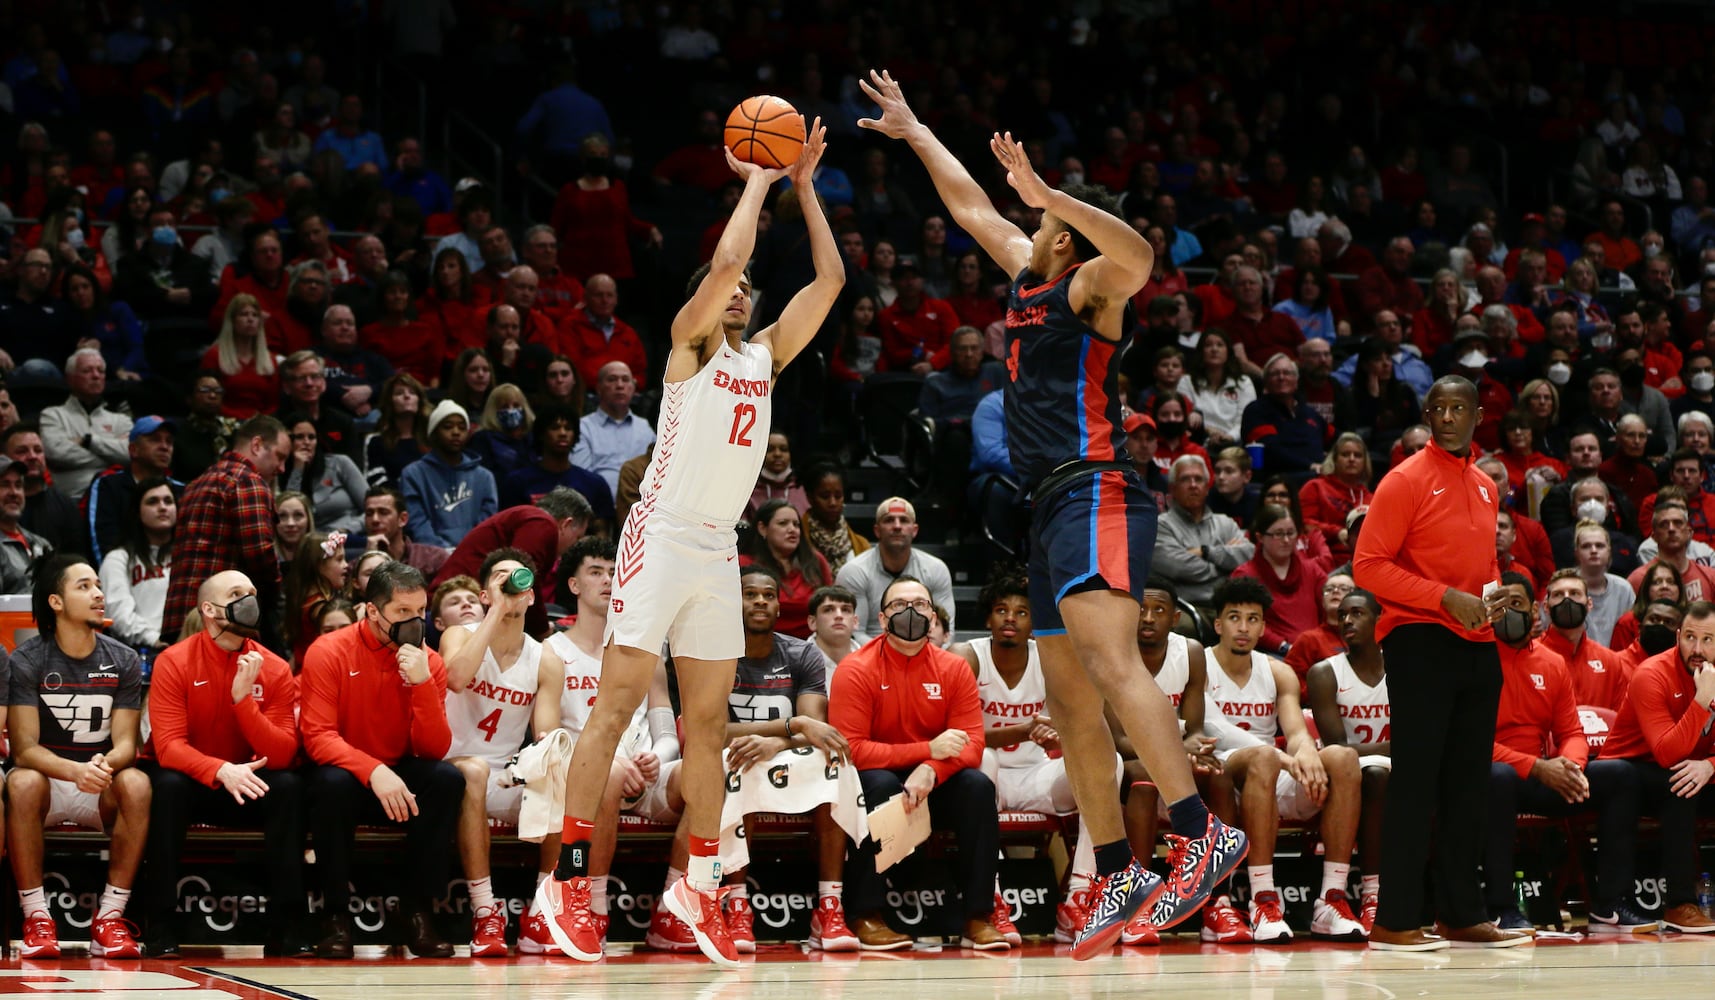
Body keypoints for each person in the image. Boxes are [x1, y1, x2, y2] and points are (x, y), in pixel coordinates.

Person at [857, 68, 1244, 959]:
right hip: (1045, 508)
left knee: (1109, 666)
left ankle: (1195, 831)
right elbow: (966, 208)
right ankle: (1114, 866)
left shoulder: (1086, 291)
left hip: (1098, 488)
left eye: (1038, 223)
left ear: (1064, 237)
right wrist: (915, 129)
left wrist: (1052, 192)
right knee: (1069, 701)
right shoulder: (1029, 278)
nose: (1023, 226)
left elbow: (1140, 256)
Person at [535, 118, 842, 968]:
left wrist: (805, 187)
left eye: (744, 287)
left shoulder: (767, 356)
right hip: (660, 535)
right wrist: (755, 177)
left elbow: (830, 280)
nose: (739, 292)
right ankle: (561, 884)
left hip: (716, 547)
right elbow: (730, 264)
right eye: (726, 284)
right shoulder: (684, 347)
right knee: (617, 704)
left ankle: (695, 889)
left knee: (707, 728)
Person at [1352, 375, 1528, 951]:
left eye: (1461, 409)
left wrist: (1495, 593)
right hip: (1419, 639)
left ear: (1479, 417)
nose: (1449, 417)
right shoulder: (1403, 480)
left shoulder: (1484, 485)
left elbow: (1478, 568)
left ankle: (1460, 913)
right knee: (1417, 783)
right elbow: (1368, 567)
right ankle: (1395, 920)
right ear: (1428, 415)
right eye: (1440, 408)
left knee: (1468, 786)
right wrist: (1442, 597)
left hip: (1477, 645)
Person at [673, 567, 860, 953]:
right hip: (729, 760)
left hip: (782, 756)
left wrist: (779, 741)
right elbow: (709, 732)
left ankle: (830, 907)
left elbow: (815, 727)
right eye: (750, 594)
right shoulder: (712, 655)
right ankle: (737, 905)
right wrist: (788, 727)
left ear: (778, 605)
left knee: (836, 763)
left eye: (768, 595)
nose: (760, 601)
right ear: (732, 603)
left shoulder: (801, 652)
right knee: (740, 764)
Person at [522, 538, 680, 956]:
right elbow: (550, 738)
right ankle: (590, 904)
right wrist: (609, 761)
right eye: (596, 571)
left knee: (707, 772)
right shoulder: (551, 650)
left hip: (646, 772)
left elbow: (665, 727)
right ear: (573, 585)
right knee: (604, 774)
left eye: (615, 572)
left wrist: (657, 757)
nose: (609, 580)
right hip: (585, 774)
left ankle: (676, 908)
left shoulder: (647, 648)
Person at [828, 576, 1002, 950]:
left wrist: (931, 769)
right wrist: (926, 751)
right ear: (882, 616)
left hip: (932, 780)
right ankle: (865, 913)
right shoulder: (856, 668)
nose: (910, 612)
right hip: (878, 778)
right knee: (880, 785)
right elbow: (852, 749)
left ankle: (977, 915)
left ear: (934, 615)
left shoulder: (953, 668)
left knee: (978, 785)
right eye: (899, 605)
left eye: (920, 604)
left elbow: (973, 744)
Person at [300, 561, 461, 959]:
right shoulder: (329, 650)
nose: (414, 622)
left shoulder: (430, 660)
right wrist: (373, 771)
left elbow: (433, 749)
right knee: (331, 784)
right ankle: (335, 916)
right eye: (402, 613)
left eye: (420, 612)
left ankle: (417, 912)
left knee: (445, 779)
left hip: (399, 769)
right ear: (373, 610)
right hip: (347, 769)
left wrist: (423, 683)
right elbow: (317, 737)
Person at [138, 570, 305, 957]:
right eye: (237, 593)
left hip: (250, 782)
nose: (250, 599)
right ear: (209, 610)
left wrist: (244, 702)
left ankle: (288, 925)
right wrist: (219, 769)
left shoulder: (275, 667)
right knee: (166, 786)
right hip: (195, 782)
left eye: (252, 592)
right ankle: (159, 924)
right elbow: (168, 747)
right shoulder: (174, 661)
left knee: (290, 787)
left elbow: (281, 753)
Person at [1484, 571, 1652, 935]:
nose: (1510, 613)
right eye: (1501, 605)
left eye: (1517, 604)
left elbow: (1571, 732)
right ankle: (1500, 907)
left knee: (1620, 774)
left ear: (1533, 611)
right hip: (1494, 775)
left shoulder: (1550, 662)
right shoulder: (1474, 662)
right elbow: (1471, 743)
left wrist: (1572, 768)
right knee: (1498, 778)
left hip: (1544, 776)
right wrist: (1539, 768)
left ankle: (1610, 905)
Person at [1201, 576, 1365, 943]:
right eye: (1234, 618)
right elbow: (1215, 728)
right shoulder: (1200, 664)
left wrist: (1306, 754)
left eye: (1253, 619)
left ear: (1263, 626)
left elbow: (1295, 730)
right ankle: (1262, 898)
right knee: (1262, 757)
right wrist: (1284, 759)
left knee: (1342, 757)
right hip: (1220, 778)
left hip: (1269, 776)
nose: (1243, 628)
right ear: (1217, 624)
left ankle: (1331, 900)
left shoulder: (1277, 671)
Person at [7, 554, 148, 958]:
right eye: (84, 587)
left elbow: (126, 744)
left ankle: (109, 919)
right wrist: (74, 770)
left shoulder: (121, 658)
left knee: (137, 782)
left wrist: (105, 764)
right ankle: (36, 918)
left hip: (99, 783)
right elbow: (24, 749)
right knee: (20, 780)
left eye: (98, 586)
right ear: (56, 602)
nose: (98, 594)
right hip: (50, 782)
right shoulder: (28, 659)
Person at [953, 570, 1101, 947]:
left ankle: (1078, 897)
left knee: (1106, 761)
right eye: (1002, 610)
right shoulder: (965, 658)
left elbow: (1078, 726)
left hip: (1038, 777)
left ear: (1035, 622)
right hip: (985, 779)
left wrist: (1058, 734)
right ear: (987, 618)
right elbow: (961, 738)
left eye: (1022, 612)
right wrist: (1021, 731)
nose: (1010, 619)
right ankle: (992, 900)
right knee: (983, 758)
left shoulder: (1052, 657)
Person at [439, 549, 562, 957]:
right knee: (473, 771)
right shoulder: (458, 634)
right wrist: (494, 612)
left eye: (518, 579)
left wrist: (551, 757)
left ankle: (544, 908)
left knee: (561, 772)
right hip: (449, 769)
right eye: (500, 578)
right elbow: (455, 679)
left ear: (531, 596)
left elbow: (544, 733)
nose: (511, 585)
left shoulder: (545, 658)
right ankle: (485, 911)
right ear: (485, 593)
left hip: (504, 775)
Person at [1601, 600, 1715, 932]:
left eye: (1708, 640)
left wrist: (1710, 765)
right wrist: (1701, 699)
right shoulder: (1651, 673)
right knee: (1679, 781)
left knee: (1688, 777)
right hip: (1631, 771)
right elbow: (1666, 753)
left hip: (1691, 768)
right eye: (1690, 637)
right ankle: (1680, 903)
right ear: (1677, 636)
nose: (1697, 648)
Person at [1305, 588, 1392, 934]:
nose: (1347, 621)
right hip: (1350, 775)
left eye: (1357, 613)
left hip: (1397, 771)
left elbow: (1413, 742)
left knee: (1377, 773)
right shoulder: (1324, 673)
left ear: (1379, 620)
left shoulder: (1403, 668)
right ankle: (1372, 895)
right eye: (1342, 615)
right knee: (1372, 774)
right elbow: (1337, 749)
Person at [160, 416, 290, 645]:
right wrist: (274, 603)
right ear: (257, 445)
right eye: (280, 457)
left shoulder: (195, 484)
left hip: (180, 618)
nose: (281, 468)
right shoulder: (247, 481)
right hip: (224, 621)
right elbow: (260, 556)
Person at [432, 488, 593, 640]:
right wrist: (542, 629)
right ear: (566, 523)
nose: (573, 546)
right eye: (577, 537)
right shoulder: (542, 522)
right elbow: (521, 580)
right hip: (454, 607)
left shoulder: (527, 517)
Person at [833, 497, 956, 627]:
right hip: (871, 645)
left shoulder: (936, 569)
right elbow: (855, 632)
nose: (897, 526)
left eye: (903, 520)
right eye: (889, 520)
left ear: (914, 530)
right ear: (877, 530)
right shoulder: (854, 571)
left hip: (923, 645)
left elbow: (945, 630)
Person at [1153, 455, 1254, 607]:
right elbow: (1181, 568)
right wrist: (1226, 567)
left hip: (1228, 607)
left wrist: (1206, 552)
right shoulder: (1160, 526)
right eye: (1185, 479)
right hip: (1186, 607)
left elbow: (1248, 554)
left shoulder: (1225, 523)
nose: (1193, 485)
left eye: (1198, 479)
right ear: (1172, 488)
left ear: (1207, 488)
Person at [1232, 503, 1329, 656]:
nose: (1286, 540)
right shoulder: (1245, 576)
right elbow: (1247, 623)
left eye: (1291, 533)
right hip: (1271, 652)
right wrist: (1284, 647)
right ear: (1260, 537)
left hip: (1315, 649)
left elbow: (1329, 610)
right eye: (1278, 534)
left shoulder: (1312, 569)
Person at [400, 400, 498, 550]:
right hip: (430, 556)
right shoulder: (413, 474)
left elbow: (487, 524)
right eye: (448, 426)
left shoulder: (484, 477)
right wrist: (442, 552)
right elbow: (417, 523)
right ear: (433, 433)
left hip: (474, 553)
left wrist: (467, 551)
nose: (456, 432)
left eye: (462, 427)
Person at [41, 348, 133, 500]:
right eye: (87, 371)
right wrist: (112, 453)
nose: (96, 376)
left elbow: (131, 454)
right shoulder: (53, 415)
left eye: (100, 371)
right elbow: (56, 454)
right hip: (71, 500)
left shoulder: (121, 420)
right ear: (70, 378)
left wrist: (88, 441)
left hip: (114, 499)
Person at [499, 405, 615, 524]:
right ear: (541, 434)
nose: (563, 433)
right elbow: (509, 528)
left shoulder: (594, 483)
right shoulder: (517, 482)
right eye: (555, 428)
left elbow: (602, 533)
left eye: (568, 428)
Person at [87, 415, 178, 565]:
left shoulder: (180, 490)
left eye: (169, 441)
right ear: (133, 450)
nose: (164, 447)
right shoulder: (108, 485)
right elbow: (102, 540)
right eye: (155, 439)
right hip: (122, 572)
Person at [97, 476, 174, 652]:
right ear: (138, 512)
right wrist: (154, 639)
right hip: (141, 652)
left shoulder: (189, 557)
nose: (162, 507)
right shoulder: (117, 559)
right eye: (152, 502)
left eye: (168, 501)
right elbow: (118, 614)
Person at [571, 362, 655, 498]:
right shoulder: (583, 427)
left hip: (640, 506)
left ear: (633, 388)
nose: (620, 385)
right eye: (612, 379)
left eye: (625, 380)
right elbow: (581, 477)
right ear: (598, 388)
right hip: (599, 509)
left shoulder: (645, 428)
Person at [280, 414, 368, 536]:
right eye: (299, 437)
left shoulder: (340, 463)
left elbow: (371, 507)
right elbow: (288, 511)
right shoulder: (279, 470)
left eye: (311, 437)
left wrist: (347, 530)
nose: (306, 442)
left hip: (349, 535)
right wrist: (297, 469)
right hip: (309, 542)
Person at [202, 294, 279, 419]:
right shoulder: (214, 356)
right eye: (244, 314)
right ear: (232, 320)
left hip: (260, 427)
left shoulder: (270, 360)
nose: (250, 319)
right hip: (223, 423)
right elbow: (208, 399)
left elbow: (272, 404)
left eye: (255, 315)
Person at [363, 373, 430, 489]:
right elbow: (375, 480)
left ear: (419, 400)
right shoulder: (376, 441)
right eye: (399, 393)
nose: (407, 396)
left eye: (412, 393)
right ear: (390, 402)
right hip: (396, 502)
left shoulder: (432, 438)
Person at [801, 465, 870, 573]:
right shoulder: (797, 540)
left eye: (838, 496)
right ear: (810, 498)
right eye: (825, 496)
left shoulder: (861, 544)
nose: (833, 503)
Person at [808, 585, 863, 671]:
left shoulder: (873, 660)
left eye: (845, 610)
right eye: (828, 610)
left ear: (855, 621)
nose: (839, 615)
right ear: (813, 622)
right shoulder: (796, 661)